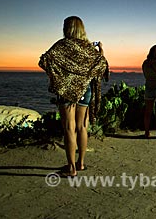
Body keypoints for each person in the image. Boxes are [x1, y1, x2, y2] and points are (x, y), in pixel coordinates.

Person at [39, 16, 108, 177]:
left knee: (69, 128)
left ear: (67, 28)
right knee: (82, 126)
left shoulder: (61, 45)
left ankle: (71, 169)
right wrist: (101, 51)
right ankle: (81, 163)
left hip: (67, 91)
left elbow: (44, 61)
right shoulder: (88, 48)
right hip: (86, 90)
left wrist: (61, 77)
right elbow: (102, 64)